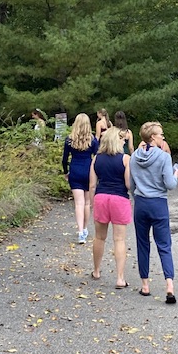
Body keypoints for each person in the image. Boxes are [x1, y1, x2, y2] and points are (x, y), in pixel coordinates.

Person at [129, 122, 178, 304]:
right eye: (161, 135)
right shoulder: (164, 157)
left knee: (142, 244)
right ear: (153, 137)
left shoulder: (134, 157)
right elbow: (170, 185)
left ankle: (145, 285)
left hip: (141, 203)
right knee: (164, 244)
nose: (162, 137)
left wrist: (138, 197)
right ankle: (169, 285)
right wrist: (175, 175)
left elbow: (131, 185)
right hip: (158, 203)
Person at [89, 127, 131, 288]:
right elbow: (128, 184)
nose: (124, 142)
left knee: (99, 237)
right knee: (119, 239)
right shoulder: (125, 159)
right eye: (122, 139)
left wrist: (92, 203)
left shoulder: (96, 159)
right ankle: (120, 278)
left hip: (101, 197)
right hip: (119, 198)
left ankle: (96, 270)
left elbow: (92, 185)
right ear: (116, 140)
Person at [62, 113, 99, 244]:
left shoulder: (69, 140)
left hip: (75, 170)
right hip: (89, 171)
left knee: (78, 203)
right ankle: (85, 227)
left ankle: (80, 232)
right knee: (87, 203)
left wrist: (66, 172)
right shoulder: (93, 140)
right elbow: (97, 157)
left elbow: (64, 159)